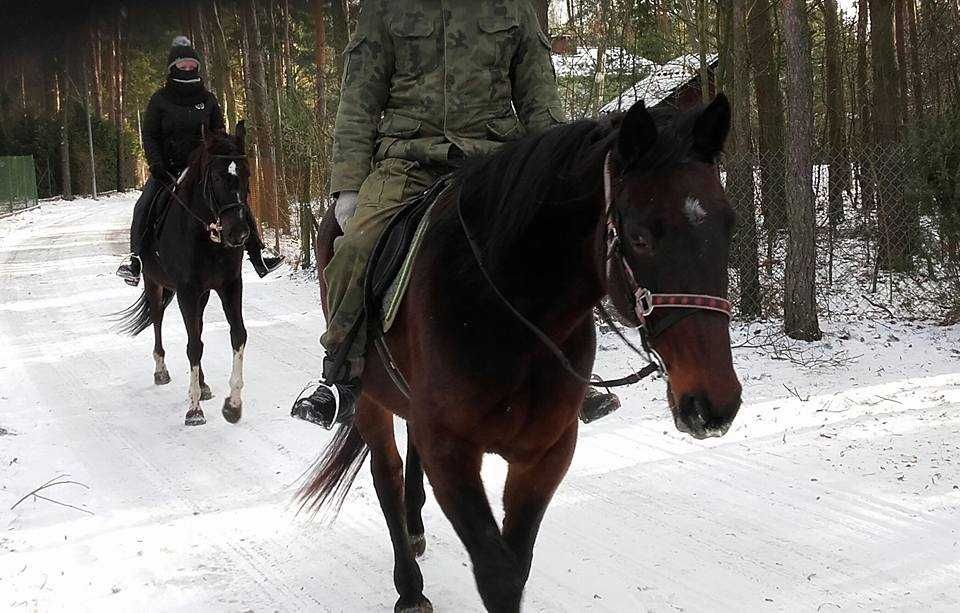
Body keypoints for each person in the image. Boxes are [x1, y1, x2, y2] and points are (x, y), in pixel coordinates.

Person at [292, 1, 619, 428]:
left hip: (497, 161)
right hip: (407, 161)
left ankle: (567, 370)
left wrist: (557, 173)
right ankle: (340, 373)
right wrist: (350, 183)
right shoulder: (384, 8)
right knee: (355, 247)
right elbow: (359, 100)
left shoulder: (513, 7)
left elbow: (540, 100)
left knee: (553, 247)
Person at [117, 36, 283, 286]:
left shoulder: (208, 99)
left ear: (197, 67)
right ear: (173, 68)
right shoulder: (159, 100)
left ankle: (258, 253)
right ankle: (136, 261)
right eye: (182, 65)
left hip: (204, 167)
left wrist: (218, 156)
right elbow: (150, 135)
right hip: (168, 169)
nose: (187, 69)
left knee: (234, 200)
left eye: (191, 65)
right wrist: (156, 165)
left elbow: (219, 131)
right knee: (143, 205)